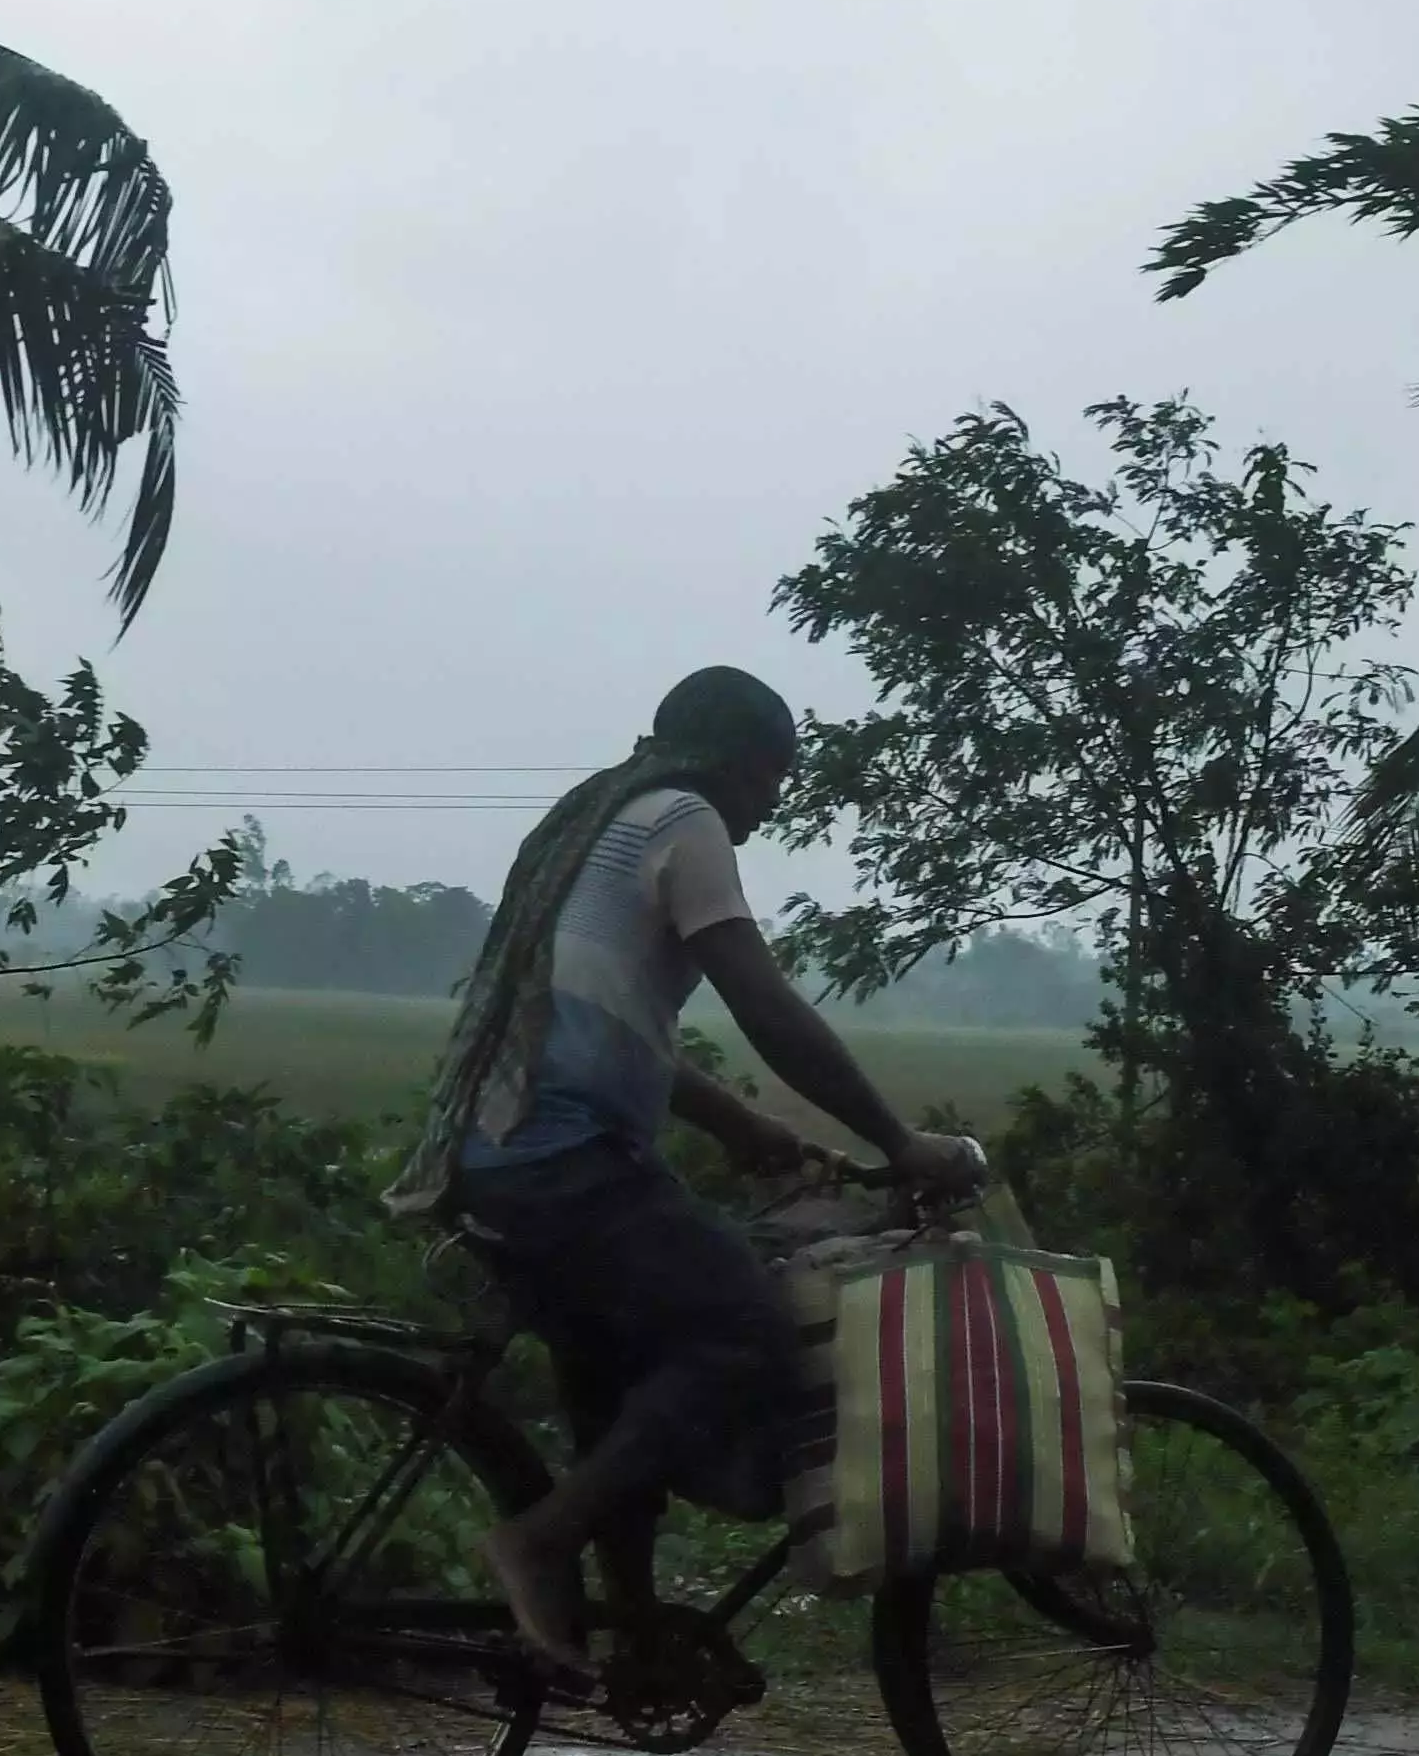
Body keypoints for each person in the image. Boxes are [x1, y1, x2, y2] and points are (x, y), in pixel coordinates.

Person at [389, 664, 985, 1684]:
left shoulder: (597, 823)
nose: (774, 804)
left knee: (616, 1388)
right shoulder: (685, 820)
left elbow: (611, 1021)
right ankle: (538, 1543)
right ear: (740, 763)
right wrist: (899, 1141)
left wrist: (743, 1122)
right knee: (745, 1332)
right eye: (775, 779)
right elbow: (763, 1002)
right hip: (564, 1162)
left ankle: (631, 1640)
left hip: (502, 1159)